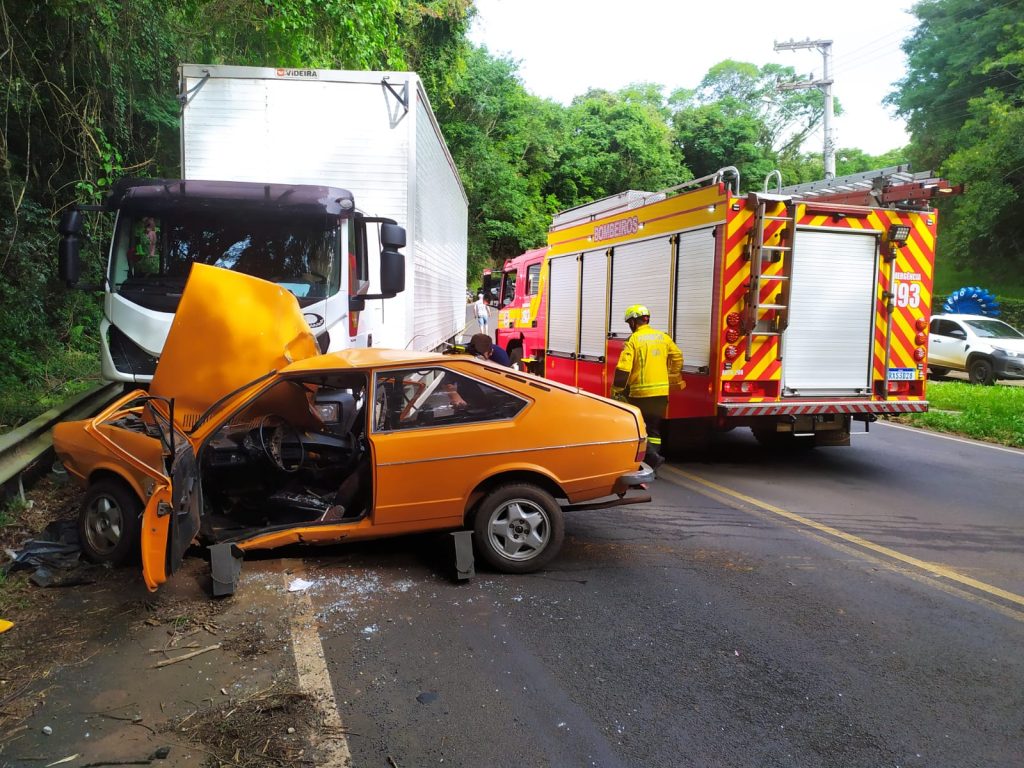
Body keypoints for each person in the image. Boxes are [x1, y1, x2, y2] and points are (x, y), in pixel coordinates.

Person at [611, 304, 684, 470]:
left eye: (630, 322)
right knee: (653, 430)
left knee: (638, 429)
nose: (629, 326)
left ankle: (652, 459)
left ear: (634, 321)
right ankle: (653, 465)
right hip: (661, 394)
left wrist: (616, 389)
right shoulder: (663, 337)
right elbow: (678, 357)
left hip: (640, 394)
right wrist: (672, 374)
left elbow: (623, 368)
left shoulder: (634, 340)